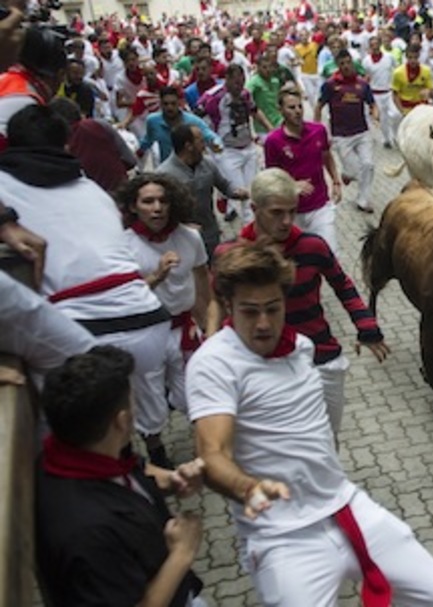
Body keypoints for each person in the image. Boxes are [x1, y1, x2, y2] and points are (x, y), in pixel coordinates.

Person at [185, 244, 433, 607]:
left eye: (272, 308)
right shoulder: (214, 364)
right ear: (228, 306)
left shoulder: (301, 348)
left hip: (344, 505)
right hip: (283, 535)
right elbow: (212, 453)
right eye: (250, 312)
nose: (264, 323)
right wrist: (247, 486)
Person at [1, 104, 176, 466]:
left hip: (84, 332)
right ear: (67, 144)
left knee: (75, 438)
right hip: (150, 321)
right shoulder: (92, 190)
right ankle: (152, 458)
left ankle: (120, 475)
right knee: (127, 402)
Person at [218, 168, 388, 437]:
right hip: (260, 365)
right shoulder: (230, 254)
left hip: (320, 359)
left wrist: (366, 325)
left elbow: (342, 285)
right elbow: (218, 304)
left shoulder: (312, 246)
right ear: (254, 208)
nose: (286, 221)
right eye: (276, 212)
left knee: (326, 442)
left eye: (292, 211)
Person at [35, 346, 206, 607]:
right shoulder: (89, 533)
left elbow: (133, 470)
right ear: (122, 421)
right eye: (132, 398)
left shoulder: (75, 450)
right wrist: (182, 553)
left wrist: (172, 480)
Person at [117, 173, 213, 415]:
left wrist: (209, 325)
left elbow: (202, 280)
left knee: (193, 395)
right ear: (132, 206)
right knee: (150, 406)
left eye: (163, 201)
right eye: (148, 202)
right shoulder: (122, 245)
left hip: (185, 329)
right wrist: (156, 276)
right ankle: (156, 448)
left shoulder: (190, 237)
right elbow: (123, 297)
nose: (157, 208)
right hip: (146, 333)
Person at [266, 87, 343, 253]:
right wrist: (292, 185)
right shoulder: (273, 141)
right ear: (281, 110)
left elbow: (327, 157)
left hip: (320, 207)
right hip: (291, 213)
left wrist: (336, 181)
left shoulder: (318, 131)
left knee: (330, 253)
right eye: (291, 108)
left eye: (300, 106)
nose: (298, 111)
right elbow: (272, 178)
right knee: (298, 260)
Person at [156, 123, 249, 257]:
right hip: (180, 239)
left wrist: (236, 192)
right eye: (200, 140)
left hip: (210, 234)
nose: (204, 144)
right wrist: (182, 226)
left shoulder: (207, 164)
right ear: (189, 146)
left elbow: (224, 184)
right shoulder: (164, 175)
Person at [199, 63, 265, 224]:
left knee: (253, 191)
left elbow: (254, 112)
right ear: (227, 79)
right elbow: (195, 119)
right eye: (236, 82)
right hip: (227, 151)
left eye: (242, 82)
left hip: (248, 148)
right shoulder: (213, 97)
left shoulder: (245, 94)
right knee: (241, 193)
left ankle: (251, 227)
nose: (239, 86)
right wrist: (206, 141)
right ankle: (249, 230)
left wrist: (270, 129)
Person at [316, 50, 378, 215]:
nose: (345, 66)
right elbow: (319, 105)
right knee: (355, 169)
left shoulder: (362, 84)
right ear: (338, 65)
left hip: (362, 132)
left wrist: (375, 114)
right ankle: (347, 174)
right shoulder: (330, 85)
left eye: (348, 62)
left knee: (368, 165)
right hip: (341, 136)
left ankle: (363, 200)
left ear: (352, 63)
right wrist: (316, 127)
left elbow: (372, 104)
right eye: (341, 63)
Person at [48, 96, 136, 193]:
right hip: (121, 188)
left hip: (91, 195)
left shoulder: (60, 144)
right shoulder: (100, 125)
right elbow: (130, 159)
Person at [138, 86, 223, 165]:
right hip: (167, 168)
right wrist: (140, 150)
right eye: (166, 104)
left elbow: (209, 134)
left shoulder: (192, 121)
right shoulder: (153, 121)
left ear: (179, 103)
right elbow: (148, 138)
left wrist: (216, 143)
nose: (169, 107)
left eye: (173, 103)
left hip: (190, 167)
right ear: (160, 104)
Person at [362, 36, 398, 148]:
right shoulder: (366, 61)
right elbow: (365, 77)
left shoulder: (389, 57)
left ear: (380, 44)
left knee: (396, 114)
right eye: (372, 45)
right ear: (369, 47)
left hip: (389, 92)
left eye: (377, 44)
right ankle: (386, 139)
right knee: (382, 119)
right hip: (375, 93)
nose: (375, 47)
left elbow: (396, 70)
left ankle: (396, 136)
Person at [246, 52, 283, 140]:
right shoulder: (254, 82)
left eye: (269, 66)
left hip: (279, 121)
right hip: (262, 127)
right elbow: (245, 95)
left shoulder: (275, 81)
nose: (268, 70)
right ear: (258, 68)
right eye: (264, 67)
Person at [391, 43, 433, 116]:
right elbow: (395, 95)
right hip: (406, 108)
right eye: (410, 58)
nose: (413, 60)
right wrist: (401, 111)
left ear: (419, 56)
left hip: (422, 108)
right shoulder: (398, 73)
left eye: (415, 57)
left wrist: (429, 93)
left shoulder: (426, 71)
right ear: (406, 57)